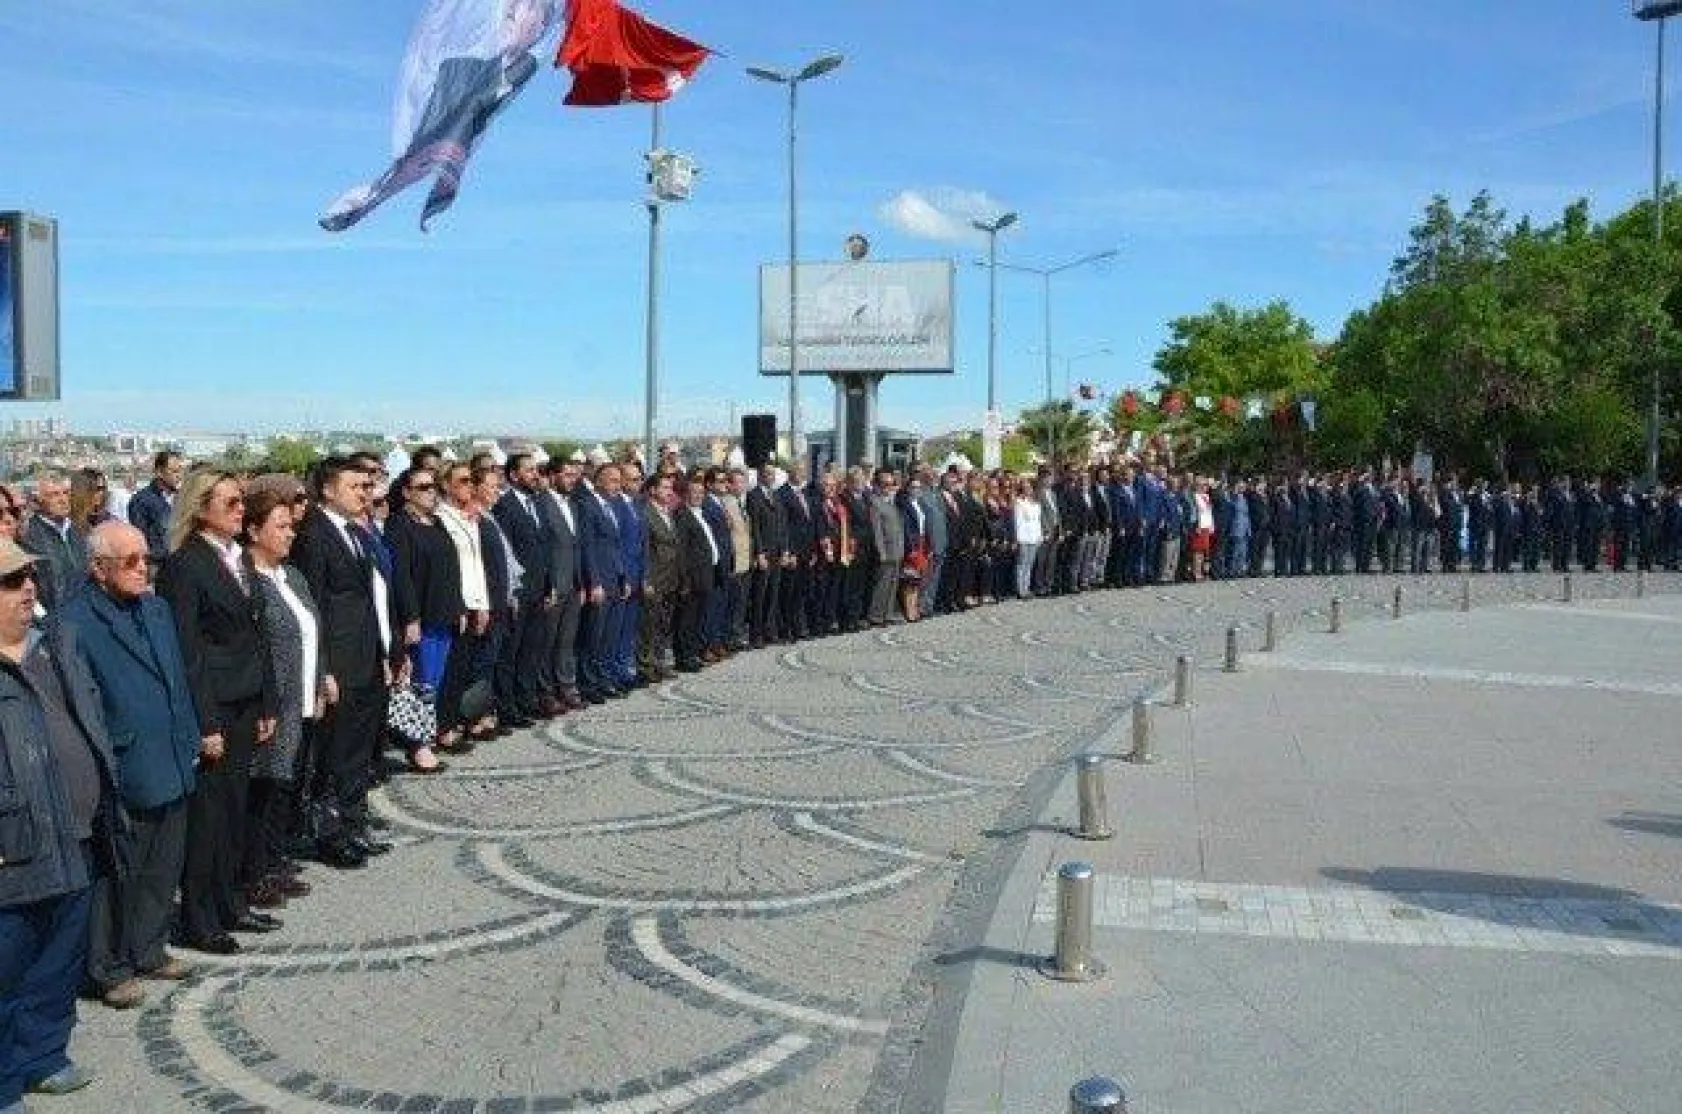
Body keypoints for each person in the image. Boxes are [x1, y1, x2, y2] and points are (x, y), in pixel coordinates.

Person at [0, 538, 122, 1106]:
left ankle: (45, 1055)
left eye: (29, 576)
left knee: (57, 963)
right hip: (15, 847)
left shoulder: (54, 646)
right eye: (11, 581)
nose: (28, 587)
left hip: (77, 832)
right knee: (8, 970)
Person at [58, 523, 199, 1009]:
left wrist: (192, 733)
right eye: (130, 561)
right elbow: (80, 703)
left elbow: (176, 677)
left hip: (172, 756)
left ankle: (149, 948)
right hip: (125, 763)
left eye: (146, 559)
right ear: (99, 568)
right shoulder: (75, 621)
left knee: (163, 866)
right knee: (119, 873)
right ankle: (108, 968)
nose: (143, 569)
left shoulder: (155, 608)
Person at [157, 471, 280, 954]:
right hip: (215, 705)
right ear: (200, 507)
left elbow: (257, 633)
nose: (239, 509)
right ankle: (199, 917)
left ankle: (230, 902)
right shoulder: (186, 565)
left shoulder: (238, 559)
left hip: (247, 699)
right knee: (209, 815)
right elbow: (187, 652)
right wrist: (205, 722)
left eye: (241, 501)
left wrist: (267, 700)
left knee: (235, 807)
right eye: (230, 501)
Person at [290, 457, 388, 870]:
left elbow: (371, 601)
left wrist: (385, 654)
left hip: (366, 657)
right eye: (355, 486)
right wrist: (322, 668)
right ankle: (330, 834)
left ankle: (352, 823)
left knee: (358, 753)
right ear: (328, 490)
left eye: (367, 486)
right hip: (339, 666)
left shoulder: (358, 534)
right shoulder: (314, 535)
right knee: (334, 755)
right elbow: (313, 608)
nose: (365, 493)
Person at [239, 485, 327, 910]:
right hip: (274, 705)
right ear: (254, 531)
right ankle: (254, 872)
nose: (291, 533)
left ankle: (274, 861)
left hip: (305, 698)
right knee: (263, 789)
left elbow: (312, 626)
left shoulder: (292, 575)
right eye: (281, 526)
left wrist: (322, 675)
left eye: (292, 525)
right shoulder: (249, 581)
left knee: (286, 787)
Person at [386, 466, 466, 769]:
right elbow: (401, 576)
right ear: (406, 492)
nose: (431, 491)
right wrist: (411, 617)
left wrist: (457, 606)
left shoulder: (437, 522)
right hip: (421, 616)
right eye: (423, 487)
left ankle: (426, 735)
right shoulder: (400, 526)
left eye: (434, 487)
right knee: (420, 681)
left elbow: (451, 568)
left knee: (434, 679)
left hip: (443, 613)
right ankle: (417, 745)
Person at [21, 475, 86, 615]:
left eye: (66, 493)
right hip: (51, 621)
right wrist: (43, 619)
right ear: (39, 501)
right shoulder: (28, 536)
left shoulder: (80, 530)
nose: (63, 500)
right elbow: (24, 584)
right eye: (54, 495)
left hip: (84, 616)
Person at [127, 451, 185, 574]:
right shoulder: (141, 501)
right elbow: (140, 540)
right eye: (174, 471)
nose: (179, 476)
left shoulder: (182, 498)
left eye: (180, 470)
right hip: (157, 569)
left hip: (181, 566)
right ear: (159, 472)